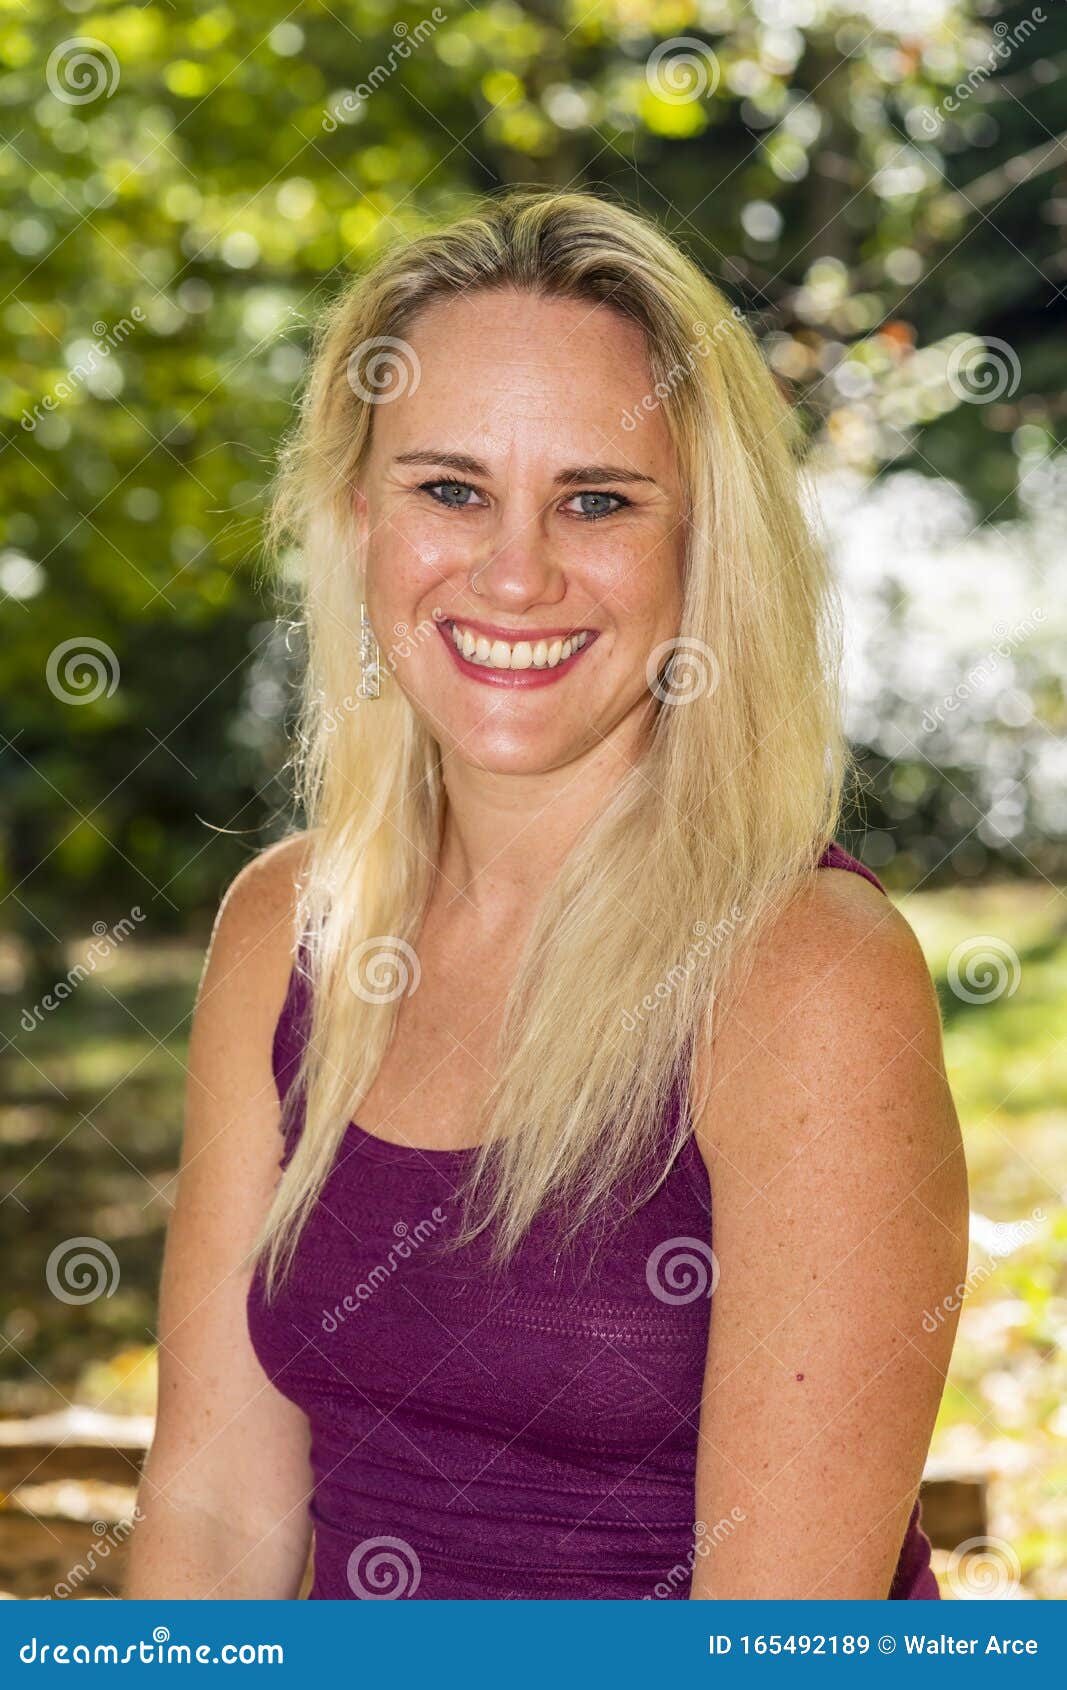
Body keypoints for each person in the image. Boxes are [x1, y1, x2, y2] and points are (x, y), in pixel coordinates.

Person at [126, 189, 969, 1601]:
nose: (515, 572)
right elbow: (214, 1515)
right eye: (450, 489)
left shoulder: (804, 975)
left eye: (596, 499)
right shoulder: (287, 933)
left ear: (702, 546)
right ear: (359, 515)